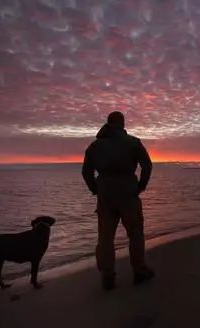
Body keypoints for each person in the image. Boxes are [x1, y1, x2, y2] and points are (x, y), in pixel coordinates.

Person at [82, 111, 154, 290]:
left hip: (105, 194)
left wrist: (94, 189)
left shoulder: (95, 146)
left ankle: (108, 277)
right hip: (128, 191)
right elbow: (147, 165)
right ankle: (139, 271)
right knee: (135, 233)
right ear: (122, 124)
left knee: (105, 237)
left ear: (108, 123)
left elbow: (86, 172)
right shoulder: (133, 143)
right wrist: (141, 186)